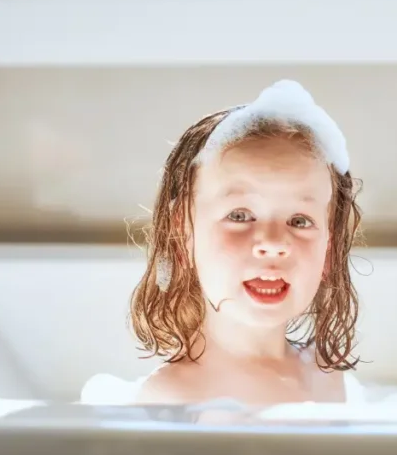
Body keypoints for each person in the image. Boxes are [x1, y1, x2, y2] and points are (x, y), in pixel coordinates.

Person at [129, 79, 363, 405]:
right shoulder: (173, 396)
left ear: (329, 250)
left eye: (300, 221)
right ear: (183, 234)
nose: (273, 243)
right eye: (239, 215)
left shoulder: (326, 378)